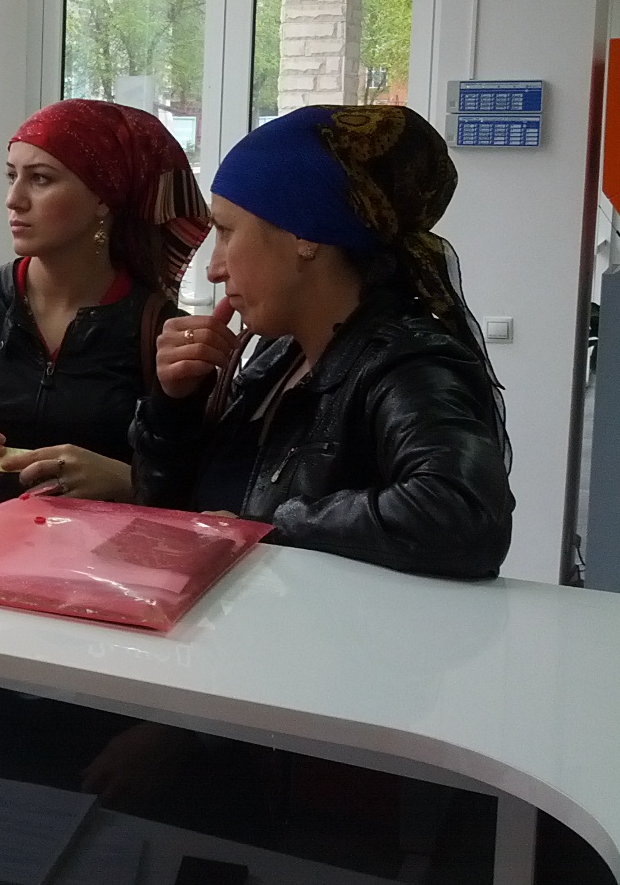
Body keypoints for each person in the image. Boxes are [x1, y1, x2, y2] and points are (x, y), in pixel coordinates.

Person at [134, 104, 513, 578]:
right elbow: (182, 514)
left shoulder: (408, 366)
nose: (214, 268)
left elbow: (464, 514)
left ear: (305, 235)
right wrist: (175, 407)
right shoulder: (280, 354)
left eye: (227, 232)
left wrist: (269, 528)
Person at [0, 99, 211, 503]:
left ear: (103, 198)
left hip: (99, 546)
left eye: (40, 179)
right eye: (12, 176)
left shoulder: (163, 334)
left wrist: (127, 482)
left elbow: (195, 491)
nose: (14, 199)